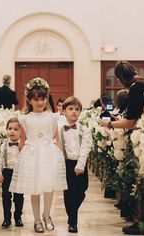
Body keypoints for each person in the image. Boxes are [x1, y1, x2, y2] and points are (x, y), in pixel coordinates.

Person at [9, 77, 67, 233]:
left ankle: (47, 215)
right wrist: (21, 161)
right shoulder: (25, 118)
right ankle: (36, 219)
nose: (40, 102)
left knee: (49, 187)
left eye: (42, 99)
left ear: (47, 98)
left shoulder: (53, 116)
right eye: (36, 99)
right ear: (29, 100)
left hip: (49, 154)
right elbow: (23, 141)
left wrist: (61, 156)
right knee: (34, 189)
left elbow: (57, 138)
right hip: (32, 155)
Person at [60, 96, 92, 233]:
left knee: (82, 190)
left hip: (80, 163)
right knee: (68, 193)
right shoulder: (59, 129)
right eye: (70, 109)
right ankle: (73, 222)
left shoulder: (85, 129)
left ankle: (72, 213)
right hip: (66, 163)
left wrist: (80, 165)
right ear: (64, 111)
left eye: (77, 109)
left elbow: (86, 147)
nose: (74, 112)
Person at [100, 60, 144, 129]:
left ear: (119, 79)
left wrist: (108, 124)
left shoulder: (136, 88)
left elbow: (130, 123)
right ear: (134, 71)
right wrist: (120, 122)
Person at [0, 117, 24, 229]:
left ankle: (18, 218)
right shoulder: (4, 146)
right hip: (7, 173)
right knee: (6, 197)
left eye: (16, 129)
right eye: (10, 128)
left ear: (21, 132)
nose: (12, 131)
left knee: (19, 197)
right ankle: (7, 218)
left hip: (19, 173)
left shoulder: (23, 146)